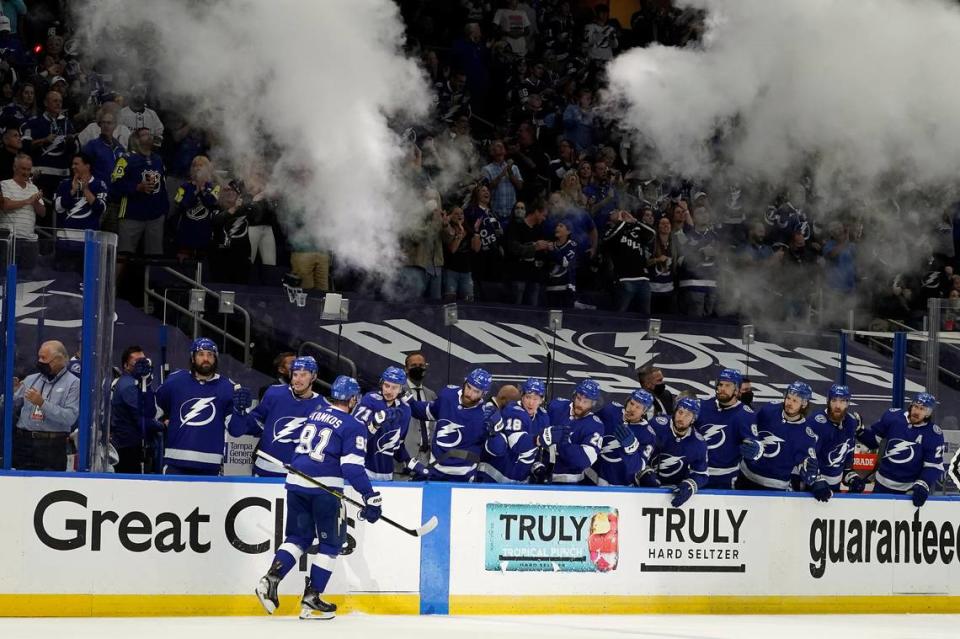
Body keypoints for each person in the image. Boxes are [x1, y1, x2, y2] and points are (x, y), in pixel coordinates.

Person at [255, 375, 381, 621]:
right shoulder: (353, 425)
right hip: (325, 488)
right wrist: (370, 496)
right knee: (331, 544)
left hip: (296, 482)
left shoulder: (317, 413)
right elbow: (352, 468)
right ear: (353, 399)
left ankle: (270, 579)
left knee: (298, 537)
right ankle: (312, 599)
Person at [155, 338, 252, 475]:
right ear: (193, 358)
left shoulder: (228, 387)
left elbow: (236, 431)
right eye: (201, 354)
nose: (206, 358)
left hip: (210, 466)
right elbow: (152, 411)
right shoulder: (175, 381)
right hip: (175, 463)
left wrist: (240, 412)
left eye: (210, 354)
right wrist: (144, 384)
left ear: (215, 359)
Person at [228, 356, 327, 477]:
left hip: (299, 476)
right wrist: (240, 412)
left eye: (303, 375)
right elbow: (250, 426)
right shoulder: (274, 393)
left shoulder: (323, 406)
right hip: (264, 470)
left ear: (314, 377)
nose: (298, 379)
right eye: (295, 374)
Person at [406, 368, 505, 482]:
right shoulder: (448, 396)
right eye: (469, 387)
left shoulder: (486, 415)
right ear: (464, 382)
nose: (469, 394)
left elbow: (498, 451)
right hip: (435, 472)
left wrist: (495, 431)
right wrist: (409, 403)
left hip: (464, 478)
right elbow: (426, 411)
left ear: (484, 393)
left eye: (476, 391)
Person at [857, 393, 944, 507]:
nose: (917, 412)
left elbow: (934, 466)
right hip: (881, 484)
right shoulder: (893, 417)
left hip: (908, 490)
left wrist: (923, 484)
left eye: (922, 409)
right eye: (915, 407)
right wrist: (859, 431)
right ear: (911, 406)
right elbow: (873, 441)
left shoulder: (933, 434)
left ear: (928, 413)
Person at [736, 381, 820, 493]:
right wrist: (751, 442)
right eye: (788, 398)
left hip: (775, 487)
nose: (789, 403)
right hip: (745, 477)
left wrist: (811, 474)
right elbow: (750, 429)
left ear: (804, 404)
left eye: (795, 401)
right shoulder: (769, 410)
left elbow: (806, 466)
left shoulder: (806, 436)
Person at [8, 340, 79, 471]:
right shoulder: (31, 379)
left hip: (51, 446)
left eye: (44, 358)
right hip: (24, 442)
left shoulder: (74, 383)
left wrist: (42, 403)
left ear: (59, 360)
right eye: (39, 357)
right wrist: (12, 392)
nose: (40, 361)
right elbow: (9, 404)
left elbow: (70, 417)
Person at [694, 369, 763, 490]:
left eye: (727, 385)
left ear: (736, 390)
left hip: (725, 478)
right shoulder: (702, 406)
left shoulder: (745, 414)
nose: (722, 388)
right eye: (720, 384)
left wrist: (756, 449)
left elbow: (754, 443)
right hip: (695, 473)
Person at [634, 397, 709, 507]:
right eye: (680, 412)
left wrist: (690, 485)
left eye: (687, 415)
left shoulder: (698, 443)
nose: (681, 417)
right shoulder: (657, 425)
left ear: (693, 419)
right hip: (644, 489)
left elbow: (702, 474)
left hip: (674, 490)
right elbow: (636, 451)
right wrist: (643, 472)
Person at [532, 379, 604, 484]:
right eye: (578, 399)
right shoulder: (556, 406)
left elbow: (585, 459)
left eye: (585, 402)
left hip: (570, 483)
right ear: (574, 396)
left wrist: (561, 443)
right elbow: (536, 429)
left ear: (593, 404)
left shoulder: (595, 426)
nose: (580, 404)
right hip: (540, 474)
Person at [111, 127, 168, 256]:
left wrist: (164, 210)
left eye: (150, 134)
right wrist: (136, 187)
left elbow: (163, 186)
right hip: (131, 215)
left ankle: (152, 277)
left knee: (155, 256)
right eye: (144, 134)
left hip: (155, 216)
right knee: (124, 255)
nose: (149, 137)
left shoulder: (158, 159)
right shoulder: (125, 159)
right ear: (136, 139)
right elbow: (114, 185)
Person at [352, 366, 416, 481]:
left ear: (401, 389)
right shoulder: (369, 400)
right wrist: (376, 422)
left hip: (387, 474)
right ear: (381, 383)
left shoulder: (405, 410)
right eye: (387, 385)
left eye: (394, 387)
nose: (389, 391)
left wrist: (410, 462)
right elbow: (356, 436)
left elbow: (397, 445)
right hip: (363, 468)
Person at [477, 379, 544, 484]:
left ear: (541, 400)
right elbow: (517, 444)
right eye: (528, 397)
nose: (531, 402)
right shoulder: (512, 411)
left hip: (519, 484)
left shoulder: (543, 418)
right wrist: (541, 439)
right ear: (522, 396)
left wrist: (536, 466)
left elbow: (533, 451)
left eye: (535, 399)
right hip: (493, 478)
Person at [110, 346, 163, 474]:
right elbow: (143, 417)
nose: (142, 365)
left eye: (143, 361)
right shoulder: (128, 385)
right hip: (128, 448)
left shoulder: (137, 382)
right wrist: (163, 425)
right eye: (137, 362)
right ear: (126, 365)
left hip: (130, 445)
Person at [806, 384, 863, 501]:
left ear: (848, 403)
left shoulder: (851, 423)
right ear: (827, 401)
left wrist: (852, 478)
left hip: (835, 490)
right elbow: (804, 458)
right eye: (834, 400)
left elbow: (846, 462)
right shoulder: (815, 422)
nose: (838, 405)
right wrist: (815, 481)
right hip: (811, 488)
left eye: (842, 401)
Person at [589, 388, 657, 486]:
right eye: (632, 403)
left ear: (644, 411)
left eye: (638, 407)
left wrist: (631, 448)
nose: (632, 408)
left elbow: (637, 467)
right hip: (590, 477)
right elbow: (589, 424)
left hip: (618, 487)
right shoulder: (610, 411)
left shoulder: (648, 435)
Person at [53, 152, 108, 266]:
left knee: (86, 280)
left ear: (87, 166)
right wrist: (72, 191)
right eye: (72, 164)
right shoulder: (64, 184)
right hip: (65, 242)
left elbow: (100, 209)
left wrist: (86, 190)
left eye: (76, 164)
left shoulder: (99, 184)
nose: (73, 167)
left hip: (88, 243)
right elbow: (58, 208)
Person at [21, 89, 75, 198]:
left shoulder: (67, 123)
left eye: (60, 101)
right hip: (39, 176)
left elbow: (74, 151)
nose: (58, 103)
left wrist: (70, 143)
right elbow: (24, 147)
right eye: (55, 101)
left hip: (62, 175)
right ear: (46, 103)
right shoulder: (34, 122)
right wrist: (43, 140)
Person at [601, 209, 655, 314]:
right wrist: (622, 222)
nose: (621, 212)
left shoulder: (636, 229)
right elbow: (609, 238)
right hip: (624, 279)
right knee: (620, 315)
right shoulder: (610, 230)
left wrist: (635, 221)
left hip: (643, 279)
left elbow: (652, 233)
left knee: (645, 317)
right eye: (615, 212)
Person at [0, 153, 45, 271]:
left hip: (30, 241)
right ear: (14, 168)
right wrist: (28, 200)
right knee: (5, 277)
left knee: (27, 280)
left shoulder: (34, 188)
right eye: (23, 169)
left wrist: (35, 201)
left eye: (29, 169)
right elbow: (5, 205)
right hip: (10, 239)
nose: (26, 172)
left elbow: (43, 213)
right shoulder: (4, 184)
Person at [171, 154, 219, 260]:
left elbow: (211, 202)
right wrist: (194, 191)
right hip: (186, 234)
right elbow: (181, 205)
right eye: (195, 165)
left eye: (201, 165)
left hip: (205, 235)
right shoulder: (184, 187)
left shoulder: (214, 187)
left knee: (203, 268)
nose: (197, 168)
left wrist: (202, 190)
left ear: (207, 168)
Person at [403, 352, 436, 464]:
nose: (418, 368)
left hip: (427, 458)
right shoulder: (398, 391)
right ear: (406, 369)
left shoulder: (432, 395)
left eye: (421, 366)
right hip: (404, 457)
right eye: (413, 366)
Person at [481, 140, 523, 224]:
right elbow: (486, 188)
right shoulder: (486, 169)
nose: (501, 147)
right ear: (492, 152)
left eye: (502, 146)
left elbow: (520, 186)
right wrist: (501, 175)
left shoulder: (514, 168)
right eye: (497, 146)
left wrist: (510, 173)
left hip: (512, 215)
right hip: (495, 214)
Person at [544, 220, 577, 308]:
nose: (557, 228)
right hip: (550, 287)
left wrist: (552, 251)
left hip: (566, 288)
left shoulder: (572, 245)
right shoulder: (550, 244)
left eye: (561, 226)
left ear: (568, 231)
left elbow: (565, 262)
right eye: (557, 226)